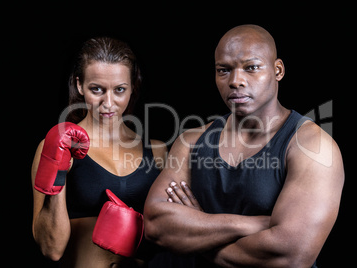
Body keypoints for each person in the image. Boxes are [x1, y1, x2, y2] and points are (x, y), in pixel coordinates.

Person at [144, 24, 344, 267]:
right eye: (224, 70)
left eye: (252, 68)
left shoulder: (314, 147)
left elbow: (289, 257)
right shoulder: (192, 140)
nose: (235, 81)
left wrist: (196, 229)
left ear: (278, 70)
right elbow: (155, 225)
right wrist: (252, 223)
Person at [31, 37, 167, 267]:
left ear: (132, 87)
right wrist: (58, 172)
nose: (108, 102)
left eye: (119, 90)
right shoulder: (55, 146)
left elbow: (169, 238)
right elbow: (50, 248)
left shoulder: (158, 151)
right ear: (79, 85)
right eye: (97, 89)